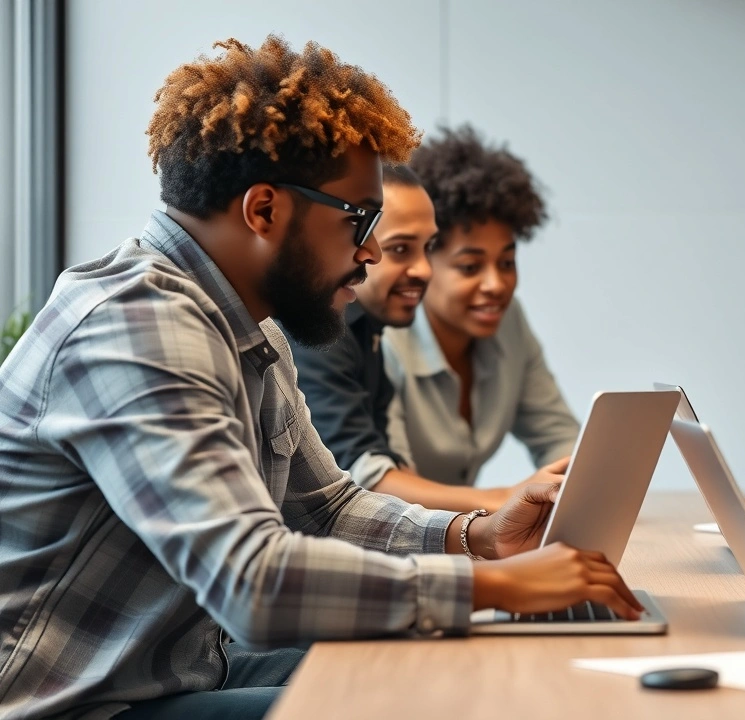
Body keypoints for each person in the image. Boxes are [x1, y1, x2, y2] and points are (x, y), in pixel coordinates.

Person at [0, 37, 640, 719]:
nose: (368, 252)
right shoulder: (136, 327)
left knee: (449, 666)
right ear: (265, 210)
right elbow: (253, 581)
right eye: (360, 219)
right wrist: (496, 587)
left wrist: (477, 538)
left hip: (170, 672)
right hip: (67, 704)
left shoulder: (253, 327)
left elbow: (328, 510)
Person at [289, 163, 554, 512]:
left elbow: (386, 466)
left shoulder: (370, 328)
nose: (425, 270)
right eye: (400, 249)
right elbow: (364, 478)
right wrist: (498, 502)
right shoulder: (323, 330)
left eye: (428, 247)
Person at [383, 126, 579, 488]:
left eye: (506, 263)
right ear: (423, 260)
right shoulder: (385, 339)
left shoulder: (510, 323)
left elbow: (559, 438)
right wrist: (511, 503)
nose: (496, 285)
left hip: (467, 539)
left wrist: (580, 484)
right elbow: (383, 488)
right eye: (470, 267)